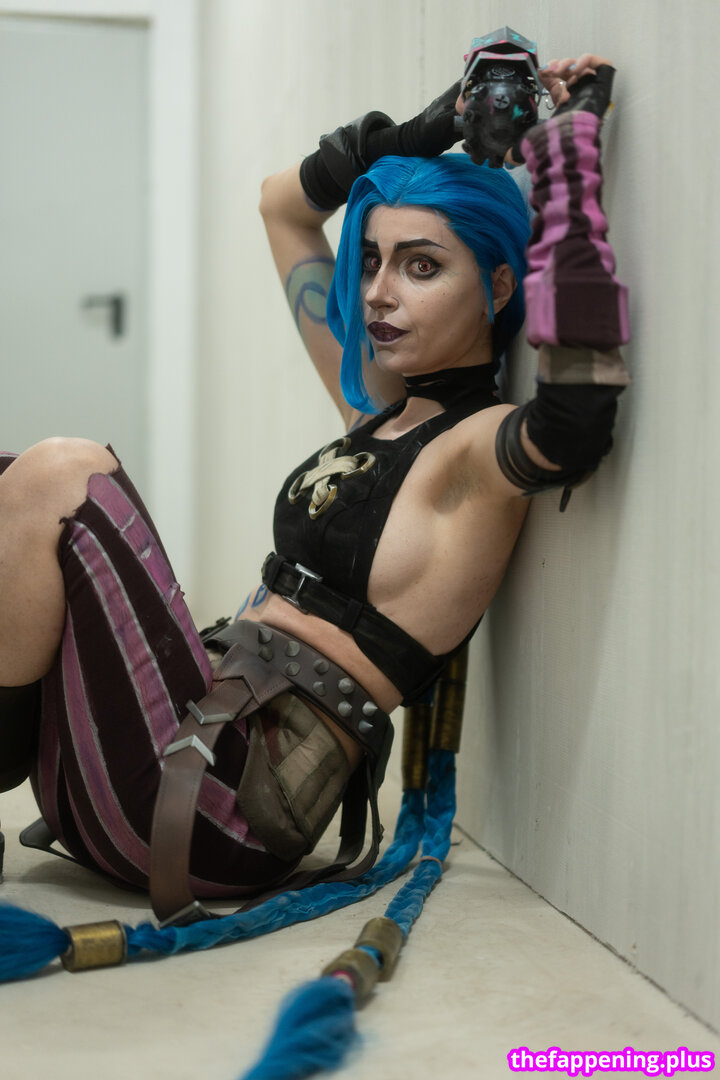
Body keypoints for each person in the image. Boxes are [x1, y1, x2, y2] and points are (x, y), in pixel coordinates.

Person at [0, 52, 629, 922]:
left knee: (63, 473)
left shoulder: (474, 452)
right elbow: (282, 206)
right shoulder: (372, 407)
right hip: (148, 763)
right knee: (12, 480)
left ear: (495, 285)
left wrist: (569, 169)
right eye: (370, 262)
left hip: (211, 813)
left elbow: (574, 426)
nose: (378, 294)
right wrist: (438, 122)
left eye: (420, 267)